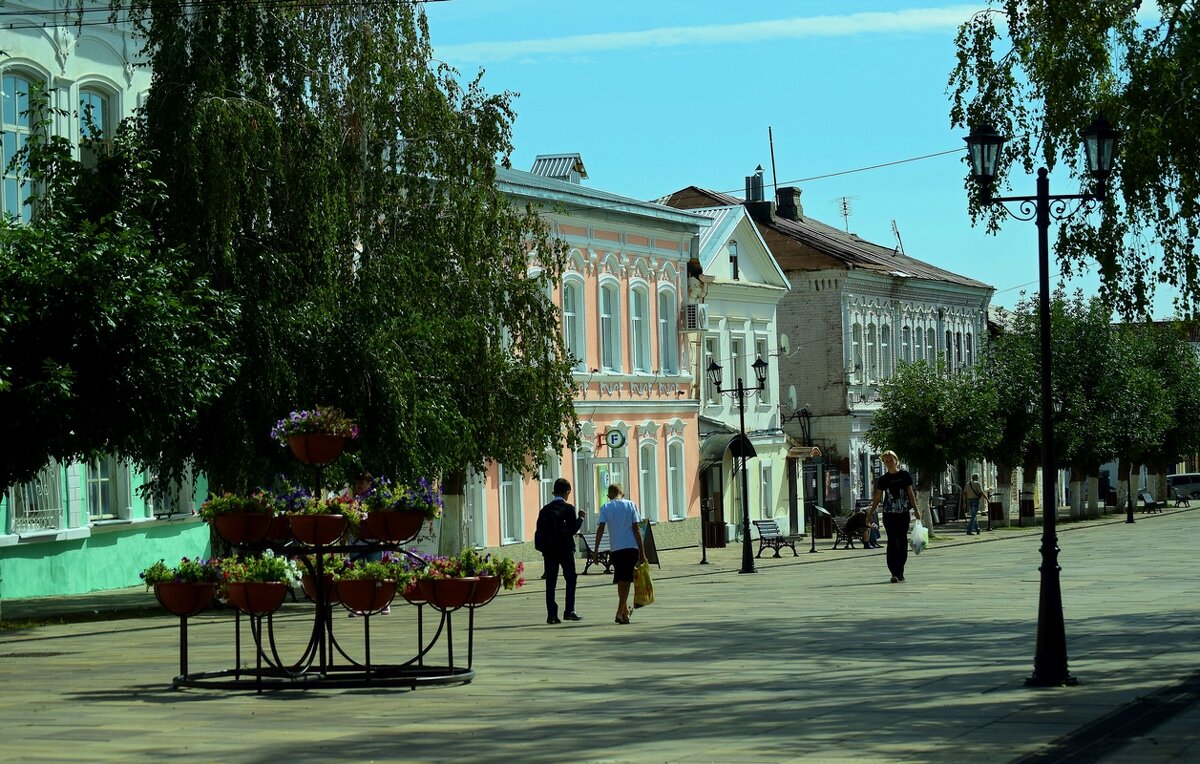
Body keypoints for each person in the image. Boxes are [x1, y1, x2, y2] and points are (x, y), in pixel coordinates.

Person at [594, 483, 646, 625]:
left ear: (609, 495)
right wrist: (642, 551)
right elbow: (636, 529)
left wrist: (596, 550)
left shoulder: (606, 507)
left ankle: (625, 613)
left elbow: (600, 529)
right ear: (622, 494)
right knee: (626, 580)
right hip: (631, 547)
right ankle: (619, 612)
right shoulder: (631, 505)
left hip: (615, 549)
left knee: (621, 580)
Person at [535, 478, 584, 625]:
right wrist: (580, 518)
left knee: (551, 583)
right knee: (571, 579)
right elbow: (571, 530)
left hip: (549, 551)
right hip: (565, 550)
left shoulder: (544, 510)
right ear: (567, 492)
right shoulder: (568, 508)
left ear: (553, 492)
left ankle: (551, 615)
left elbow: (540, 531)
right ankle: (569, 611)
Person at [866, 450, 920, 583]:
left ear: (896, 460)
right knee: (892, 542)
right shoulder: (884, 479)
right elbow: (878, 497)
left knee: (902, 542)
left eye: (891, 460)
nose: (889, 463)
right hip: (889, 514)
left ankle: (900, 570)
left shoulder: (905, 475)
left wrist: (916, 509)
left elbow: (910, 493)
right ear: (884, 463)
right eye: (886, 461)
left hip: (903, 514)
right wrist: (871, 513)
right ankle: (894, 573)